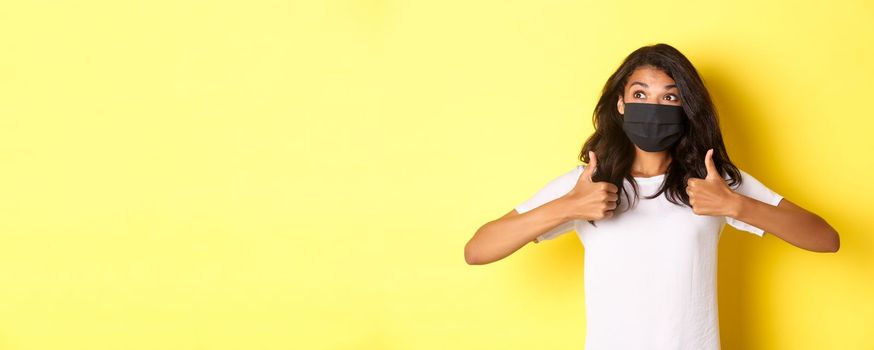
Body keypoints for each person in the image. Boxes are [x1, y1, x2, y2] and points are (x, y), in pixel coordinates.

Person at [463, 43, 840, 350]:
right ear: (621, 105)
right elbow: (478, 250)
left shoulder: (713, 181)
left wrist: (735, 205)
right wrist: (568, 206)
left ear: (686, 109)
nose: (653, 108)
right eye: (640, 94)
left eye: (670, 97)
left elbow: (825, 238)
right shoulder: (588, 183)